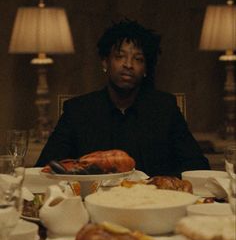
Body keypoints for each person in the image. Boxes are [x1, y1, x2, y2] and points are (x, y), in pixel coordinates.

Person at [35, 19, 210, 176]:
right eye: (120, 57)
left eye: (138, 59)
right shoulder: (78, 110)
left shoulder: (165, 108)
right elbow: (46, 167)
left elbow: (197, 166)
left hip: (153, 203)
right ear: (105, 63)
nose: (128, 65)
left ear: (146, 69)